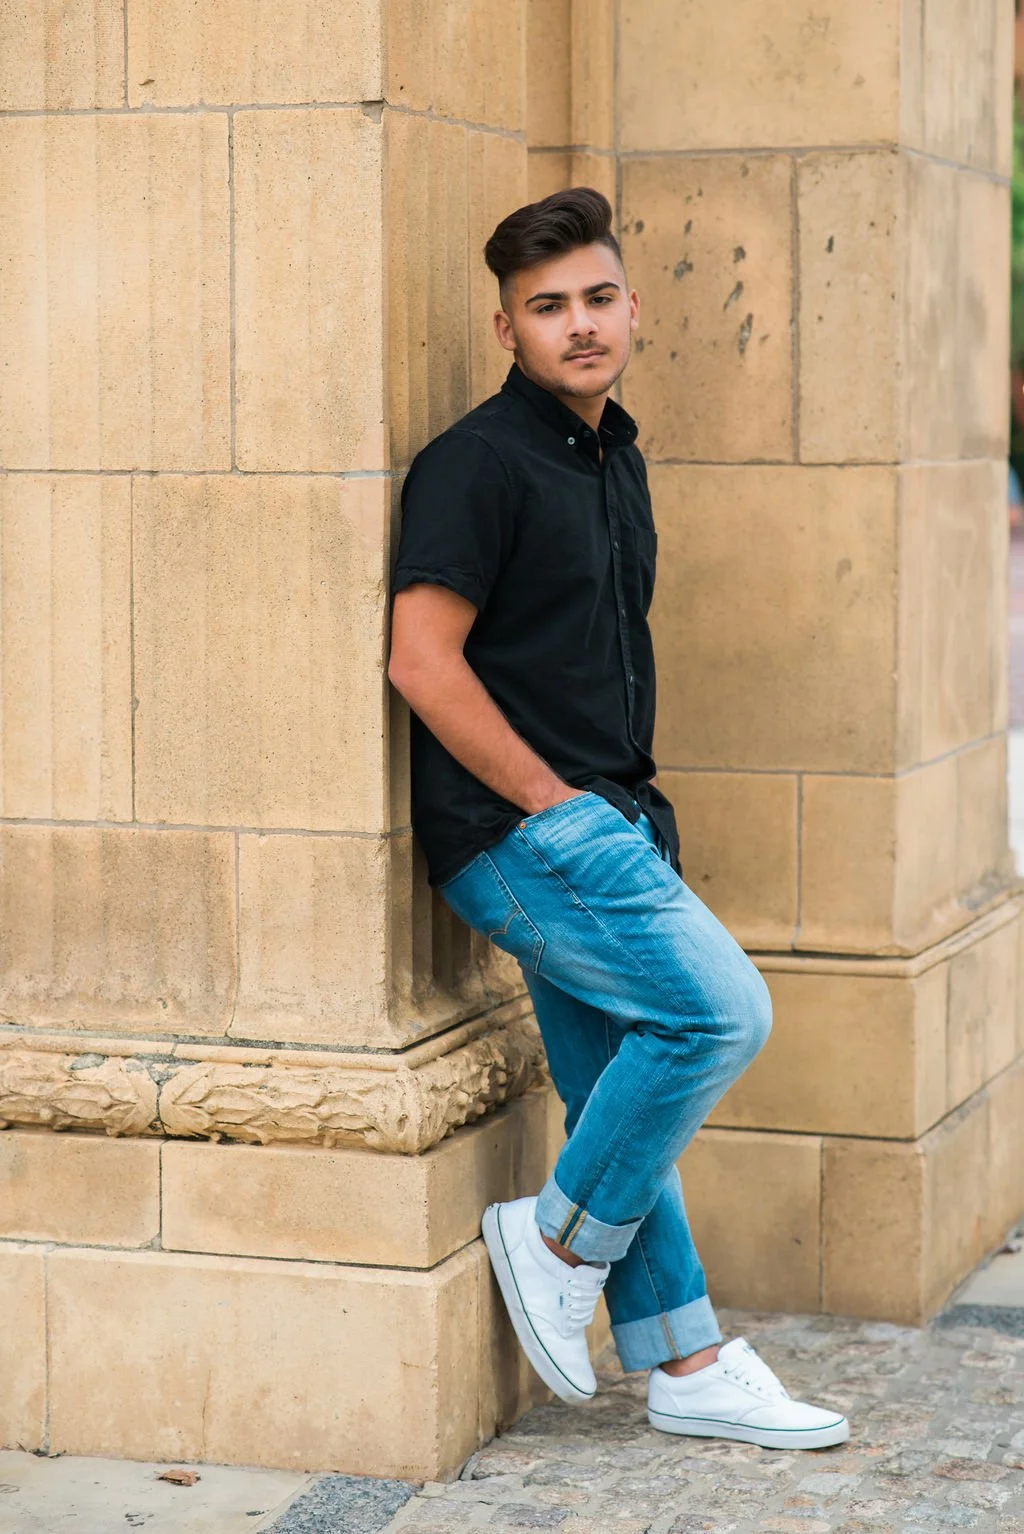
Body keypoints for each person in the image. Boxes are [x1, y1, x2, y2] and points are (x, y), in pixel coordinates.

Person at [388, 188, 848, 1450]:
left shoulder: (612, 456)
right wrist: (554, 804)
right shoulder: (474, 464)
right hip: (524, 834)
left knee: (615, 1089)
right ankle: (552, 1243)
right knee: (719, 1012)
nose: (578, 325)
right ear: (506, 330)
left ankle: (686, 1359)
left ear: (632, 309)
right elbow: (423, 663)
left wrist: (623, 812)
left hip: (609, 825)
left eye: (596, 298)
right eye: (548, 308)